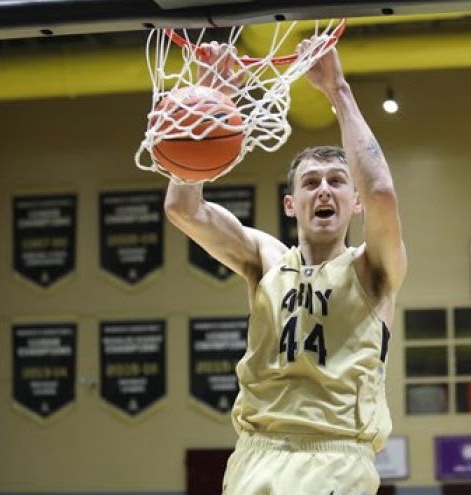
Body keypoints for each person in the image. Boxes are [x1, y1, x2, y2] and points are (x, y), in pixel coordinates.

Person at [164, 38, 407, 495]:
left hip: (335, 455)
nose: (324, 191)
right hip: (256, 454)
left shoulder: (372, 270)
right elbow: (182, 207)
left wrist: (338, 90)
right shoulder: (266, 259)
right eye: (311, 182)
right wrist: (212, 99)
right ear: (291, 204)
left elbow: (382, 193)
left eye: (337, 182)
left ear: (353, 203)